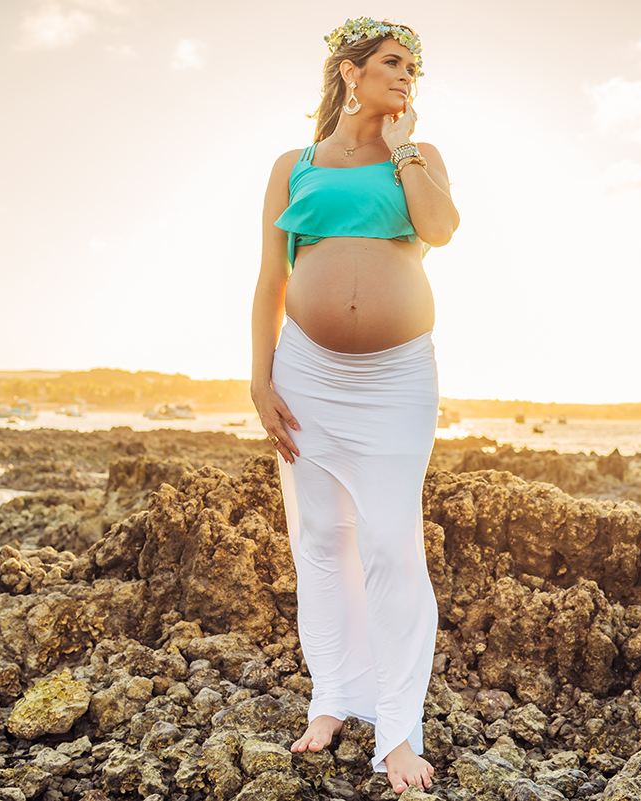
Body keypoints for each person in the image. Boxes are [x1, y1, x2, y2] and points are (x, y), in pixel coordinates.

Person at [249, 17, 460, 795]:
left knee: (391, 544)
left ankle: (399, 730)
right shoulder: (292, 164)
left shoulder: (420, 159)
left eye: (415, 69)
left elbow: (440, 228)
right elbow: (271, 280)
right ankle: (334, 696)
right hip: (306, 372)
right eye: (393, 63)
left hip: (398, 380)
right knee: (321, 541)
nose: (408, 76)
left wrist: (405, 148)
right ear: (349, 71)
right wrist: (259, 377)